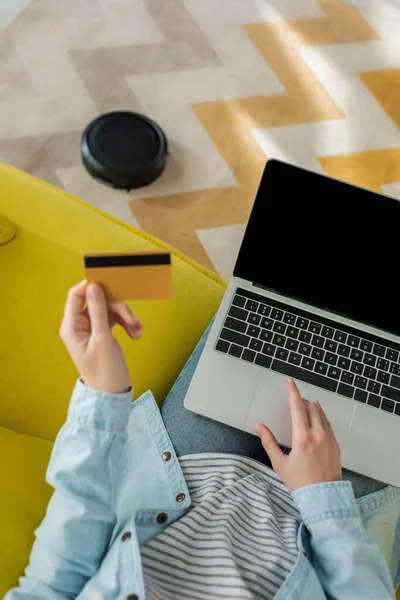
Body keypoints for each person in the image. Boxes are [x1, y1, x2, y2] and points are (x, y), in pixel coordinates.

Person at [6, 281, 400, 600]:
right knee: (383, 350)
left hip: (185, 476)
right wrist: (323, 498)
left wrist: (102, 394)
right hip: (329, 529)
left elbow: (57, 578)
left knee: (274, 296)